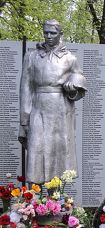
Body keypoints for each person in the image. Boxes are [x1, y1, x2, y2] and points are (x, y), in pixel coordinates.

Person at [18, 19, 87, 184]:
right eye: (46, 32)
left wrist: (73, 87)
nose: (48, 36)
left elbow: (80, 80)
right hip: (38, 107)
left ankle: (55, 201)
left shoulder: (70, 59)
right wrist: (24, 119)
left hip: (60, 110)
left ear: (60, 34)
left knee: (58, 154)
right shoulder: (32, 56)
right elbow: (26, 88)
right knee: (36, 150)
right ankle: (34, 203)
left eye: (53, 33)